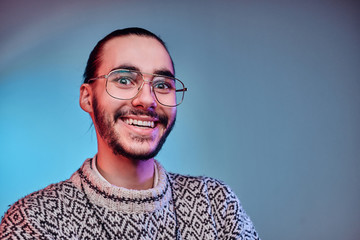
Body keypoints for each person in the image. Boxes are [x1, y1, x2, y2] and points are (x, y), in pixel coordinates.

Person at [0, 27, 260, 239]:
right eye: (124, 80)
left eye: (162, 84)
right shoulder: (34, 221)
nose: (147, 99)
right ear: (88, 98)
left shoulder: (215, 204)